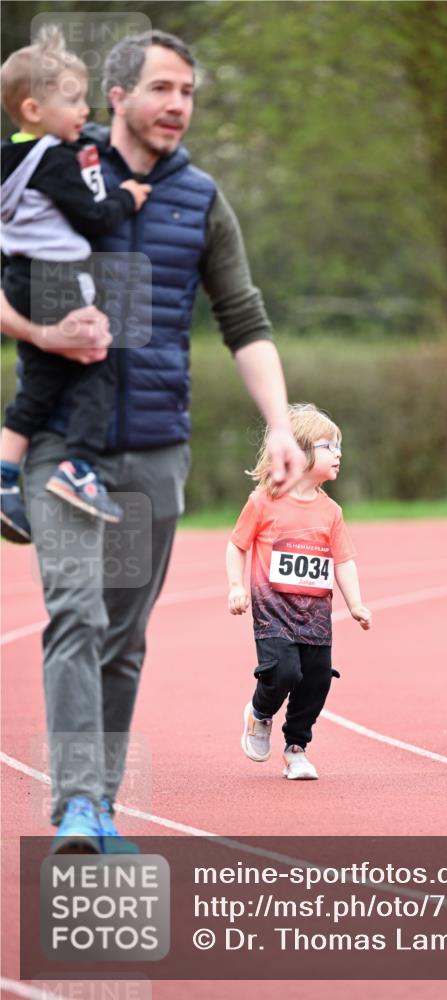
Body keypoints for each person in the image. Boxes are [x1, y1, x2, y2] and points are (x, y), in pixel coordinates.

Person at [0, 29, 305, 850]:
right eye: (164, 88)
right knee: (74, 614)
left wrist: (279, 425)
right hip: (65, 442)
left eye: (190, 93)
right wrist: (40, 329)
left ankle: (97, 802)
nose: (178, 106)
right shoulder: (60, 169)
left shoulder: (199, 198)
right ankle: (76, 807)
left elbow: (244, 318)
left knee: (123, 640)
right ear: (117, 96)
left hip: (152, 450)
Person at [0, 26, 152, 540]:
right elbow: (93, 218)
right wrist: (128, 196)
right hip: (60, 278)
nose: (84, 110)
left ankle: (3, 475)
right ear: (33, 110)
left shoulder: (9, 156)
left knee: (40, 385)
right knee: (97, 363)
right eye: (71, 100)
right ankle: (79, 468)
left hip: (20, 276)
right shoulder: (55, 161)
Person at [227, 403, 371, 781]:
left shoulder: (331, 511)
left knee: (318, 679)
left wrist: (355, 603)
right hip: (273, 611)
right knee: (284, 672)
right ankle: (260, 714)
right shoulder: (263, 502)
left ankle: (296, 748)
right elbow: (237, 544)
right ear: (301, 451)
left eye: (340, 446)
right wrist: (237, 586)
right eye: (330, 446)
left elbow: (343, 560)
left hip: (316, 617)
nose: (339, 454)